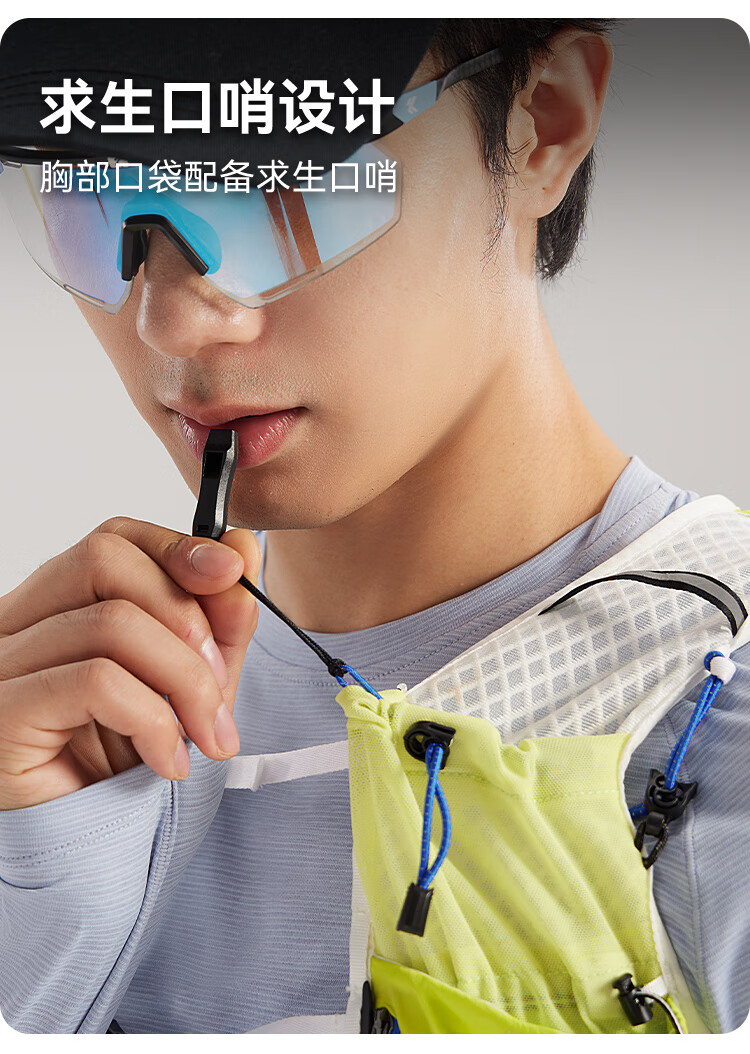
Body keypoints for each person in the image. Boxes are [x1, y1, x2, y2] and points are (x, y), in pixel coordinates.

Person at [0, 17, 748, 1035]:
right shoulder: (52, 745)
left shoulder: (719, 709)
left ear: (543, 121)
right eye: (85, 195)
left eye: (282, 183)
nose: (169, 320)